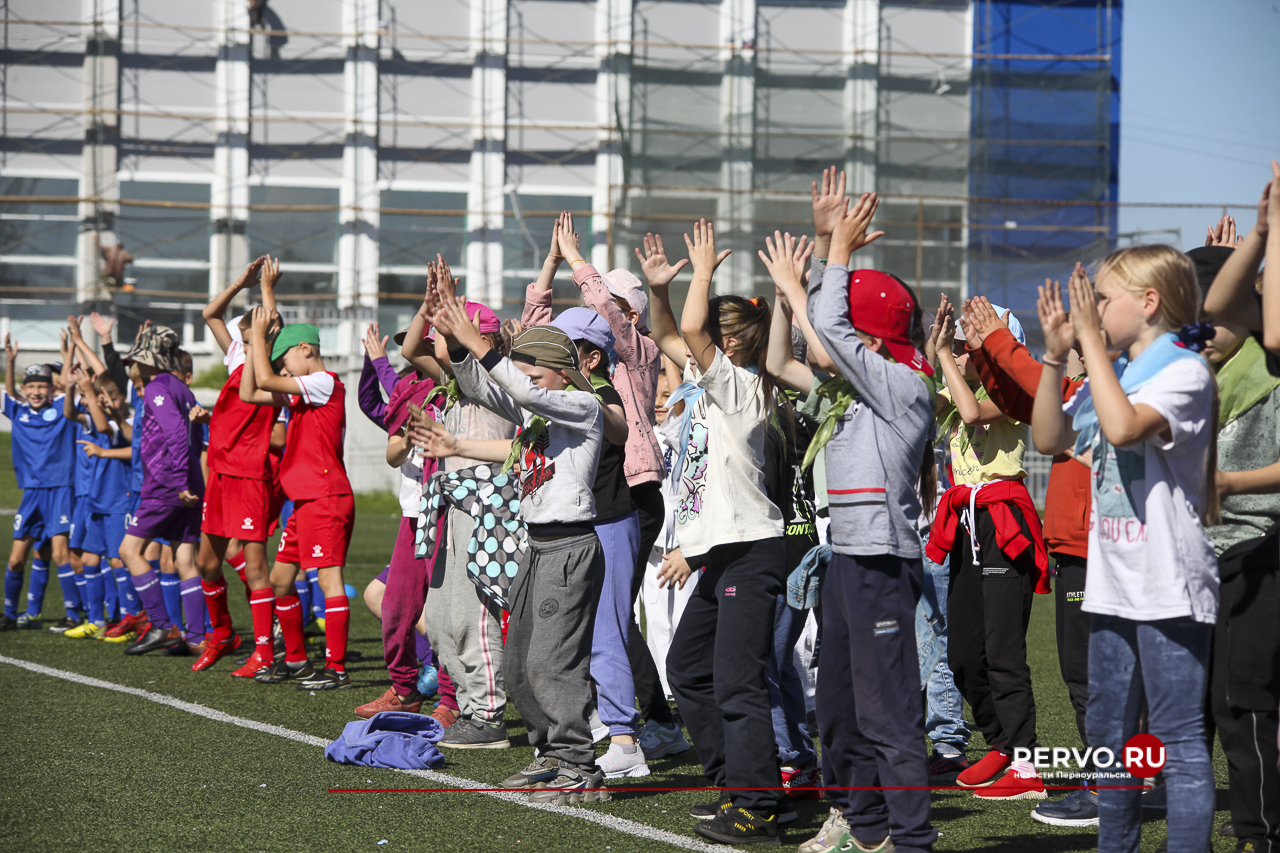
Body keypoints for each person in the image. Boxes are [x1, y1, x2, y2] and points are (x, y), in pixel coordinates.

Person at [1032, 250, 1219, 853]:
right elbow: (1049, 438)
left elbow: (1122, 428)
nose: (1094, 308)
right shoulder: (1115, 375)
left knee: (1178, 740)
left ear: (1149, 303)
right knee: (1110, 744)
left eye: (1105, 297)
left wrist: (1092, 342)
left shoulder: (1185, 373)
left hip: (1168, 585)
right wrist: (1056, 355)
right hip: (1116, 586)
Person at [798, 184, 938, 853]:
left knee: (887, 714)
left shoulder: (903, 382)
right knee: (839, 710)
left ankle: (911, 838)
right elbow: (803, 343)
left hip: (882, 559)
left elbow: (827, 328)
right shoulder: (863, 382)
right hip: (847, 557)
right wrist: (828, 249)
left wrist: (840, 252)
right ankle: (870, 830)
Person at [638, 219, 788, 844]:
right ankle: (733, 784)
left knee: (735, 678)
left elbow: (692, 334)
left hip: (753, 550)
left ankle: (758, 806)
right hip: (719, 553)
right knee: (690, 669)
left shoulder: (745, 387)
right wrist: (660, 291)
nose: (711, 342)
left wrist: (702, 273)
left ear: (737, 347)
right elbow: (669, 331)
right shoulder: (707, 381)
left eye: (727, 334)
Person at [429, 295, 609, 803]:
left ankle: (578, 763)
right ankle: (550, 753)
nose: (524, 379)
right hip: (536, 547)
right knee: (517, 662)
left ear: (558, 371)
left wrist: (479, 345)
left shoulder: (582, 406)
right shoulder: (539, 414)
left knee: (553, 662)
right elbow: (486, 390)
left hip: (569, 546)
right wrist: (462, 353)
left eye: (533, 369)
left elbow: (523, 392)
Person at [530, 212, 691, 765]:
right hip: (587, 497)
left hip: (627, 497)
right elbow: (538, 343)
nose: (604, 309)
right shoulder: (579, 369)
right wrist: (551, 264)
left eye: (613, 305)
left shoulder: (637, 353)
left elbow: (604, 322)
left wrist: (578, 260)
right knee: (596, 617)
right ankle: (624, 716)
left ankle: (634, 726)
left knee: (610, 618)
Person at [953, 294, 1100, 826]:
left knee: (1090, 676)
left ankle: (1110, 789)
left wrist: (995, 342)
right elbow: (1020, 400)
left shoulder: (1106, 387)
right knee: (1084, 674)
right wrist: (984, 348)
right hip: (1078, 548)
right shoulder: (1080, 388)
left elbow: (1030, 389)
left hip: (1097, 548)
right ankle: (1124, 779)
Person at [926, 282, 1050, 800]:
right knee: (962, 655)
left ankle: (1028, 764)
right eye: (956, 345)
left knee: (1003, 650)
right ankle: (999, 744)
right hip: (965, 528)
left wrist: (943, 356)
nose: (958, 350)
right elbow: (919, 402)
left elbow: (975, 413)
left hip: (1002, 524)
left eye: (968, 343)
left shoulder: (1012, 394)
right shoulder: (954, 394)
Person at [240, 310, 356, 690]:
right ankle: (295, 658)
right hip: (307, 498)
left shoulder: (324, 381)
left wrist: (258, 337)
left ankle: (336, 667)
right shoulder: (306, 389)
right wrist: (254, 344)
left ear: (305, 349)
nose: (283, 369)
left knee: (328, 580)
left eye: (286, 358)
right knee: (280, 579)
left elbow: (266, 379)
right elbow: (249, 391)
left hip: (324, 496)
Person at [194, 256, 283, 673]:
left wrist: (267, 289)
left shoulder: (269, 368)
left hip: (250, 475)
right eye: (244, 341)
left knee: (255, 565)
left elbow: (270, 325)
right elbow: (210, 313)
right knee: (206, 563)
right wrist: (240, 282)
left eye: (252, 340)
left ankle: (266, 650)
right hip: (220, 472)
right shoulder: (237, 355)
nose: (244, 346)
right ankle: (223, 634)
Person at [118, 324, 205, 656]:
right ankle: (196, 638)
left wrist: (180, 482)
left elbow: (176, 435)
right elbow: (195, 433)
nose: (133, 367)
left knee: (129, 551)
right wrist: (189, 478)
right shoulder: (181, 387)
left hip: (167, 484)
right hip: (186, 481)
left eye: (136, 360)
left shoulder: (157, 386)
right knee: (184, 557)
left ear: (149, 360)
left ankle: (162, 624)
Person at [0, 345, 79, 632]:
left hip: (60, 490)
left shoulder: (63, 408)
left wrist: (69, 352)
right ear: (23, 389)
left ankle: (73, 614)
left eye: (42, 386)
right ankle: (12, 614)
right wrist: (10, 361)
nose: (36, 391)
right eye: (31, 386)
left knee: (60, 555)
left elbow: (69, 384)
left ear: (51, 389)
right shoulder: (17, 410)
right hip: (31, 494)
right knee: (17, 558)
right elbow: (7, 393)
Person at [68, 370, 135, 639]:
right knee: (88, 559)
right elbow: (71, 413)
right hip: (96, 501)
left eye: (110, 398)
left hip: (118, 502)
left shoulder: (126, 422)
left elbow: (107, 428)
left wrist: (90, 391)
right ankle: (97, 619)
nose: (106, 402)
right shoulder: (96, 420)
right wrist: (82, 389)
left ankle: (130, 620)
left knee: (118, 560)